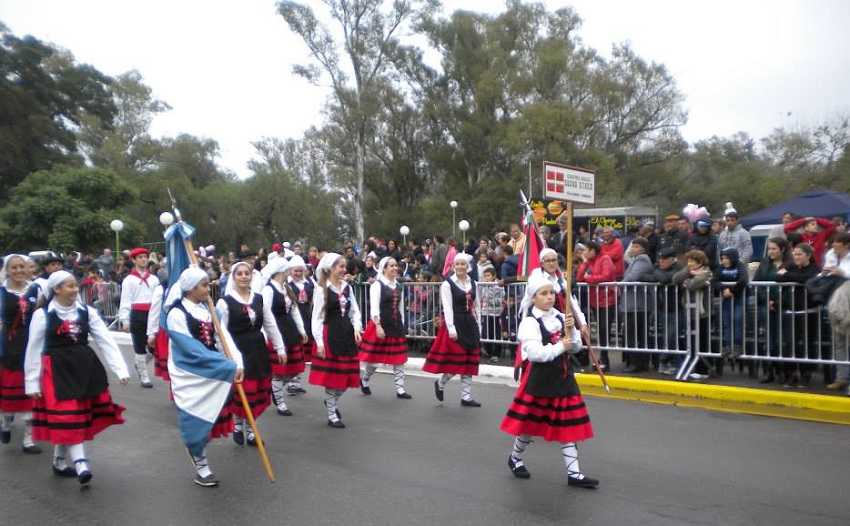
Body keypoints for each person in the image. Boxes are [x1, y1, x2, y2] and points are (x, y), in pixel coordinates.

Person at [24, 271, 129, 485]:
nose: (74, 290)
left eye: (75, 286)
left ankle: (59, 460)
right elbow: (33, 349)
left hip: (84, 368)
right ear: (57, 289)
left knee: (75, 415)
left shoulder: (86, 312)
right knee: (67, 415)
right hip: (57, 370)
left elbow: (105, 339)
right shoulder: (43, 315)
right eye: (70, 286)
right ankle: (81, 462)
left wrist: (120, 369)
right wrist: (31, 381)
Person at [500, 273, 598, 488]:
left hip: (563, 377)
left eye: (552, 292)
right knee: (528, 425)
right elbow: (535, 354)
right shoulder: (529, 322)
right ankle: (515, 457)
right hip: (540, 380)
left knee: (567, 425)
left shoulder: (562, 317)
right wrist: (560, 346)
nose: (549, 297)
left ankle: (574, 474)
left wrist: (572, 333)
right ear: (533, 297)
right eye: (544, 293)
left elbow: (576, 348)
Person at [165, 267, 243, 487]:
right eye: (204, 285)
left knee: (212, 414)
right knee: (194, 416)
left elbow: (224, 339)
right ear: (191, 288)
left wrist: (237, 362)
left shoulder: (209, 310)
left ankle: (199, 451)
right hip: (190, 371)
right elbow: (190, 349)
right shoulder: (176, 314)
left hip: (213, 369)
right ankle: (201, 463)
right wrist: (224, 364)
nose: (208, 289)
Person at [216, 261, 286, 444]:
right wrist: (226, 356)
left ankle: (250, 430)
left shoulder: (258, 298)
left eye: (247, 273)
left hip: (257, 349)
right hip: (238, 349)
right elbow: (221, 332)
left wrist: (280, 347)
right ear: (233, 277)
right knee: (242, 390)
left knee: (255, 391)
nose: (244, 277)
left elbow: (270, 323)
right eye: (239, 274)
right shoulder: (225, 302)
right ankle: (238, 424)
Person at [310, 253, 363, 429]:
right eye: (340, 266)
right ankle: (332, 414)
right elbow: (317, 318)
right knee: (333, 378)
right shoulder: (321, 289)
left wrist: (356, 328)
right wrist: (319, 342)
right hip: (330, 334)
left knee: (347, 376)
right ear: (330, 268)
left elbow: (354, 310)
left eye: (343, 266)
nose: (344, 269)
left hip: (346, 333)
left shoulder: (347, 287)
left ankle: (330, 401)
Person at [423, 252, 482, 407]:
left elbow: (477, 307)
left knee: (469, 361)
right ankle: (441, 383)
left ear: (467, 266)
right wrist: (451, 329)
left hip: (469, 323)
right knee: (458, 361)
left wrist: (479, 326)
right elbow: (447, 308)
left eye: (463, 264)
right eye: (458, 264)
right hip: (455, 322)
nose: (460, 266)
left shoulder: (473, 282)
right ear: (453, 266)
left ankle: (466, 397)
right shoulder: (448, 284)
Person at [0, 254, 40, 454]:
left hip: (31, 342)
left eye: (21, 267)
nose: (18, 271)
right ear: (7, 270)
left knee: (32, 386)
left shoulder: (35, 290)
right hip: (8, 343)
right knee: (10, 387)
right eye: (14, 267)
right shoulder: (1, 292)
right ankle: (6, 422)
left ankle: (28, 439)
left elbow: (42, 314)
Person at [358, 257, 412, 398]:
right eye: (391, 266)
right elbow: (374, 308)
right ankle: (364, 379)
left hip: (396, 325)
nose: (395, 268)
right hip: (381, 325)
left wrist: (403, 325)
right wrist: (378, 326)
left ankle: (400, 389)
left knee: (399, 359)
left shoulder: (398, 286)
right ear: (384, 269)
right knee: (374, 360)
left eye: (396, 265)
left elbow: (400, 309)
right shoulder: (377, 285)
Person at [264, 256, 308, 415]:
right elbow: (266, 313)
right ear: (281, 271)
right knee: (279, 370)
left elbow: (294, 310)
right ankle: (280, 403)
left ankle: (275, 390)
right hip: (276, 330)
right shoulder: (269, 289)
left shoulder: (286, 288)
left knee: (294, 368)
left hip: (289, 330)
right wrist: (265, 334)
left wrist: (301, 330)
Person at [775, 243, 821, 388]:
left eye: (799, 254)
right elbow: (777, 277)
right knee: (790, 344)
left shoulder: (815, 268)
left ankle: (806, 373)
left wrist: (788, 276)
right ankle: (792, 373)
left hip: (808, 311)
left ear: (808, 255)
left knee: (807, 344)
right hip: (790, 311)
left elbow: (808, 279)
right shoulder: (791, 266)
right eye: (794, 254)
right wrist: (792, 276)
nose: (796, 257)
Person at [117, 247, 159, 388]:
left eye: (145, 257)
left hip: (152, 314)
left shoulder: (154, 279)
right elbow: (125, 301)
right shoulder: (129, 280)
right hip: (137, 314)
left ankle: (140, 363)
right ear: (134, 260)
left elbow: (157, 300)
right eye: (140, 257)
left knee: (155, 346)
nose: (143, 260)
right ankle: (144, 376)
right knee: (140, 345)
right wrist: (125, 320)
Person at [752, 238, 791, 384]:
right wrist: (766, 299)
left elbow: (791, 287)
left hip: (784, 306)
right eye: (769, 249)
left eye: (774, 249)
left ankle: (784, 371)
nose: (771, 252)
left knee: (784, 339)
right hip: (766, 305)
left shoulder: (790, 264)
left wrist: (778, 302)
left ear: (782, 249)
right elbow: (757, 282)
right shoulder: (764, 263)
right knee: (769, 339)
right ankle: (769, 371)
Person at [673, 250, 713, 380]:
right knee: (690, 342)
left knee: (702, 342)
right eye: (688, 261)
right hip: (689, 312)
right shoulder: (689, 271)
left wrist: (688, 280)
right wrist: (689, 272)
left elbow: (691, 285)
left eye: (692, 262)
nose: (689, 264)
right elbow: (676, 278)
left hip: (702, 312)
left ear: (700, 262)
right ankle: (693, 367)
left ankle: (703, 370)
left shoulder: (707, 272)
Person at [575, 241, 616, 370]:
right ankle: (599, 358)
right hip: (595, 300)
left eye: (586, 250)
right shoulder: (590, 262)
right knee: (599, 330)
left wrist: (588, 278)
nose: (584, 253)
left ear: (593, 251)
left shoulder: (605, 259)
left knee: (604, 330)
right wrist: (585, 262)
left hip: (607, 299)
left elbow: (605, 276)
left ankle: (605, 358)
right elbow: (579, 277)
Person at [619, 238, 655, 373]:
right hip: (632, 304)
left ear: (643, 248)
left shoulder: (642, 260)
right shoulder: (635, 260)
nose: (632, 249)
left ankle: (637, 363)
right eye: (632, 246)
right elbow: (626, 256)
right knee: (633, 333)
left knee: (635, 334)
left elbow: (632, 277)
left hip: (637, 304)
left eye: (636, 247)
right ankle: (634, 361)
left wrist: (621, 283)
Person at [648, 248, 683, 374]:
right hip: (663, 308)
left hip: (676, 308)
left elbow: (665, 279)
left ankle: (664, 360)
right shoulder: (658, 267)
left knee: (671, 336)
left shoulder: (679, 268)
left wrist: (657, 273)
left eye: (664, 260)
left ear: (672, 260)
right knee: (667, 336)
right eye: (660, 259)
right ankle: (670, 362)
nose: (661, 262)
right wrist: (658, 273)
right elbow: (646, 276)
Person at [823, 233, 850, 392]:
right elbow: (824, 275)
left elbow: (845, 273)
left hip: (848, 301)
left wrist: (842, 273)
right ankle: (841, 378)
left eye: (837, 242)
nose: (834, 245)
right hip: (836, 303)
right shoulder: (831, 256)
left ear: (846, 244)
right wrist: (824, 273)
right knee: (838, 342)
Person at [714, 247, 749, 359]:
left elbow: (743, 280)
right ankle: (727, 346)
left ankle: (738, 346)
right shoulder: (721, 267)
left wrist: (731, 290)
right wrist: (723, 289)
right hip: (727, 298)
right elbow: (715, 280)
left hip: (739, 297)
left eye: (727, 258)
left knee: (738, 320)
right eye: (723, 258)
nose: (724, 261)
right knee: (726, 323)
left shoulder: (740, 266)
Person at [287, 255, 315, 394]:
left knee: (303, 353)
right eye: (295, 271)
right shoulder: (287, 285)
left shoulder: (309, 284)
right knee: (295, 352)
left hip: (306, 318)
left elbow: (312, 302)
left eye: (300, 271)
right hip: (293, 320)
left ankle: (296, 381)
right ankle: (290, 381)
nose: (298, 273)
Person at [478, 265, 507, 363]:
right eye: (485, 276)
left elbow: (501, 299)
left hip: (496, 313)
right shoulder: (483, 285)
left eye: (488, 275)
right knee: (486, 333)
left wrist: (490, 300)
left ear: (494, 276)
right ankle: (489, 351)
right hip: (486, 312)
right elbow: (482, 298)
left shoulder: (498, 286)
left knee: (496, 333)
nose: (486, 278)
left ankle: (496, 353)